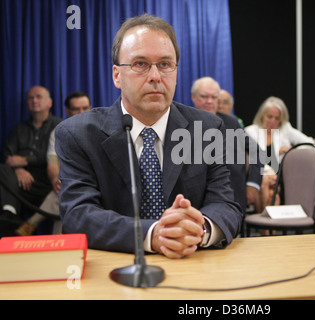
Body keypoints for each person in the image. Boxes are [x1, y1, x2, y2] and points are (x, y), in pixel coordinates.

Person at [55, 14, 242, 259]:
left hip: (193, 265)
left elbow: (226, 205)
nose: (155, 76)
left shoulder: (207, 130)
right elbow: (78, 215)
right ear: (116, 75)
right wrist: (153, 234)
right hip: (114, 272)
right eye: (140, 64)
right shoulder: (77, 134)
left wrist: (199, 228)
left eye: (165, 64)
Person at [15, 91, 91, 236]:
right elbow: (52, 163)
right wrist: (56, 179)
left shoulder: (100, 129)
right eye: (76, 109)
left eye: (85, 108)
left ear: (90, 108)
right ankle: (59, 247)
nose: (81, 112)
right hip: (71, 183)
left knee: (67, 191)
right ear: (67, 111)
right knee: (64, 192)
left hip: (94, 183)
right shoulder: (59, 131)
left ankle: (32, 223)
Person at [191, 77, 263, 213]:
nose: (209, 101)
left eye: (214, 97)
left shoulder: (232, 123)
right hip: (195, 202)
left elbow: (257, 152)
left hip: (233, 197)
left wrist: (253, 184)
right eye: (204, 96)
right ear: (193, 97)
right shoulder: (181, 123)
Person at [0, 86, 62, 236]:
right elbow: (8, 156)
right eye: (30, 98)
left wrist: (26, 160)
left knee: (64, 189)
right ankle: (9, 213)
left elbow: (52, 156)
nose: (34, 101)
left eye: (38, 97)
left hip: (45, 179)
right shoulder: (19, 128)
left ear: (50, 102)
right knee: (2, 170)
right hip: (18, 180)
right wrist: (18, 170)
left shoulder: (58, 126)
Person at [245, 96, 315, 209]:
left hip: (282, 177)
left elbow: (311, 144)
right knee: (270, 189)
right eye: (270, 117)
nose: (273, 121)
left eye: (277, 118)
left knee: (270, 189)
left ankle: (263, 225)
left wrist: (291, 151)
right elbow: (253, 157)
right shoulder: (250, 131)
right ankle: (268, 226)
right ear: (262, 115)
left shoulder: (285, 129)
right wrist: (270, 166)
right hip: (259, 176)